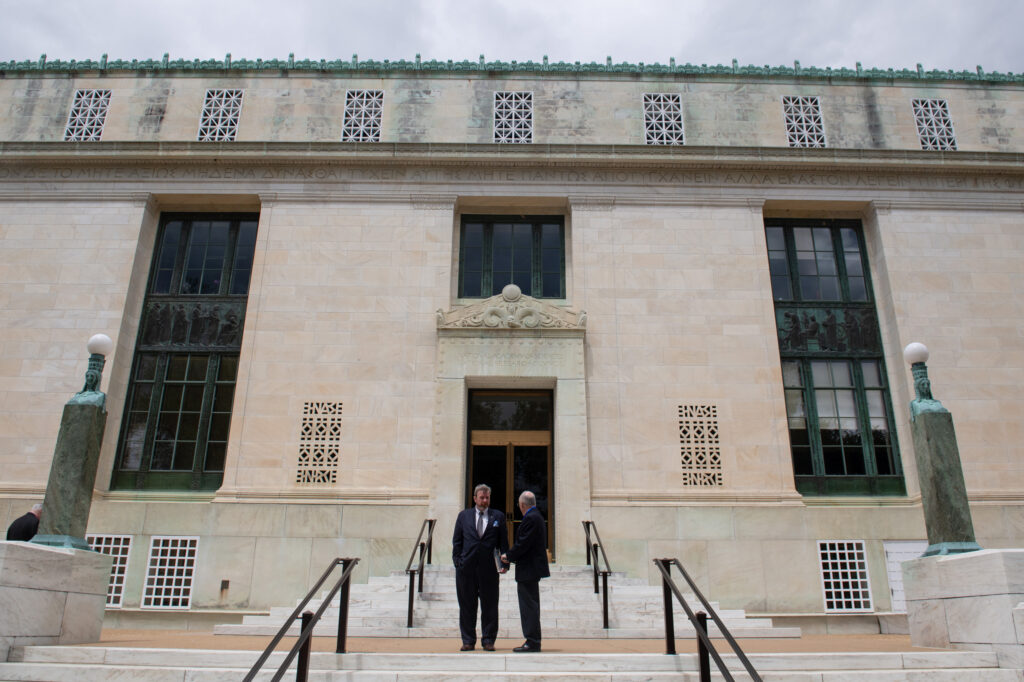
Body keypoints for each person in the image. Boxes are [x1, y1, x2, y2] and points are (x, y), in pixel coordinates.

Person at [452, 483, 509, 651]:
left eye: (487, 497)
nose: (485, 500)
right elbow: (457, 541)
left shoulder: (497, 516)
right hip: (466, 569)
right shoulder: (464, 516)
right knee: (467, 606)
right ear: (475, 498)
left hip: (489, 569)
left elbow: (503, 542)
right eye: (482, 497)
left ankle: (488, 640)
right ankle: (468, 640)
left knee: (490, 606)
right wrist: (458, 562)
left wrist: (504, 563)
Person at [501, 490, 550, 652]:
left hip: (528, 569)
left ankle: (533, 641)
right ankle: (533, 639)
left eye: (519, 505)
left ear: (522, 505)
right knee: (531, 605)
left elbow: (523, 543)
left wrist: (508, 555)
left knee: (528, 606)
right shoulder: (537, 517)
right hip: (531, 569)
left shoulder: (531, 518)